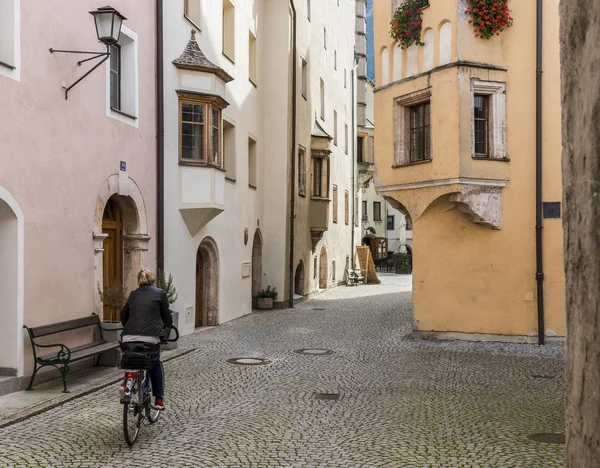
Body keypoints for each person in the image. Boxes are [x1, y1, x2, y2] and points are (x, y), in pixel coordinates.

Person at [120, 268, 173, 410]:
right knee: (154, 365)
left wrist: (128, 329)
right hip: (150, 337)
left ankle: (127, 386)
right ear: (153, 280)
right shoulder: (160, 293)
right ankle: (159, 399)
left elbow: (123, 314)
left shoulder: (133, 294)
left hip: (129, 336)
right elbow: (167, 316)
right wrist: (166, 332)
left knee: (132, 363)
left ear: (139, 281)